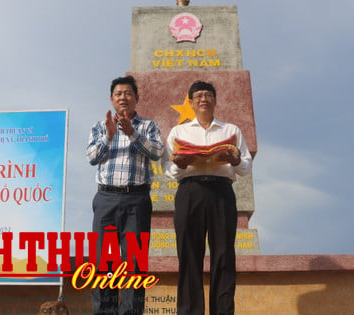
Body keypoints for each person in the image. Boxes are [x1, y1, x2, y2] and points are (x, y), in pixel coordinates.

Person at [163, 81, 252, 315]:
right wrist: (179, 164)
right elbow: (167, 168)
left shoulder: (231, 131)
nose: (204, 99)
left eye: (208, 95)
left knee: (223, 255)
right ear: (191, 102)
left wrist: (234, 160)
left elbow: (245, 167)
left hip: (221, 192)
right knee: (189, 255)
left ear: (215, 100)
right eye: (199, 96)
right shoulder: (179, 132)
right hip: (189, 191)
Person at [86, 75, 164, 314]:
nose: (123, 98)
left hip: (136, 201)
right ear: (112, 99)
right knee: (103, 264)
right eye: (118, 94)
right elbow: (91, 158)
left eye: (128, 93)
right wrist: (109, 136)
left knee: (135, 265)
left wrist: (132, 133)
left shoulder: (148, 126)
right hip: (106, 200)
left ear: (137, 98)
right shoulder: (100, 127)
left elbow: (157, 152)